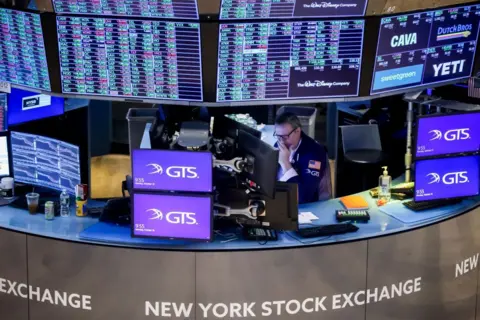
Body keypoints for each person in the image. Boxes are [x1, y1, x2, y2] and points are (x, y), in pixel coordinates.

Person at [274, 112, 332, 204]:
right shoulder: (280, 143)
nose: (281, 141)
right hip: (280, 199)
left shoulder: (314, 153)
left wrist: (286, 164)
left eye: (285, 136)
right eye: (278, 136)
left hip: (306, 207)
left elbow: (304, 197)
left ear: (297, 131)